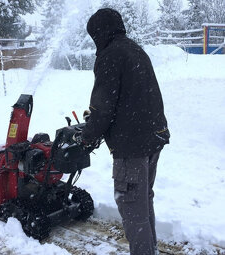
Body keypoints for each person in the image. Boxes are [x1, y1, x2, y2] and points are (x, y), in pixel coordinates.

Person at [80, 8, 170, 255]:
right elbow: (133, 97)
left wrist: (88, 134)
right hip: (153, 137)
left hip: (132, 147)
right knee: (143, 201)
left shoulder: (110, 55)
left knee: (131, 207)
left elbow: (103, 107)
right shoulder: (135, 50)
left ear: (100, 32)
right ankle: (149, 250)